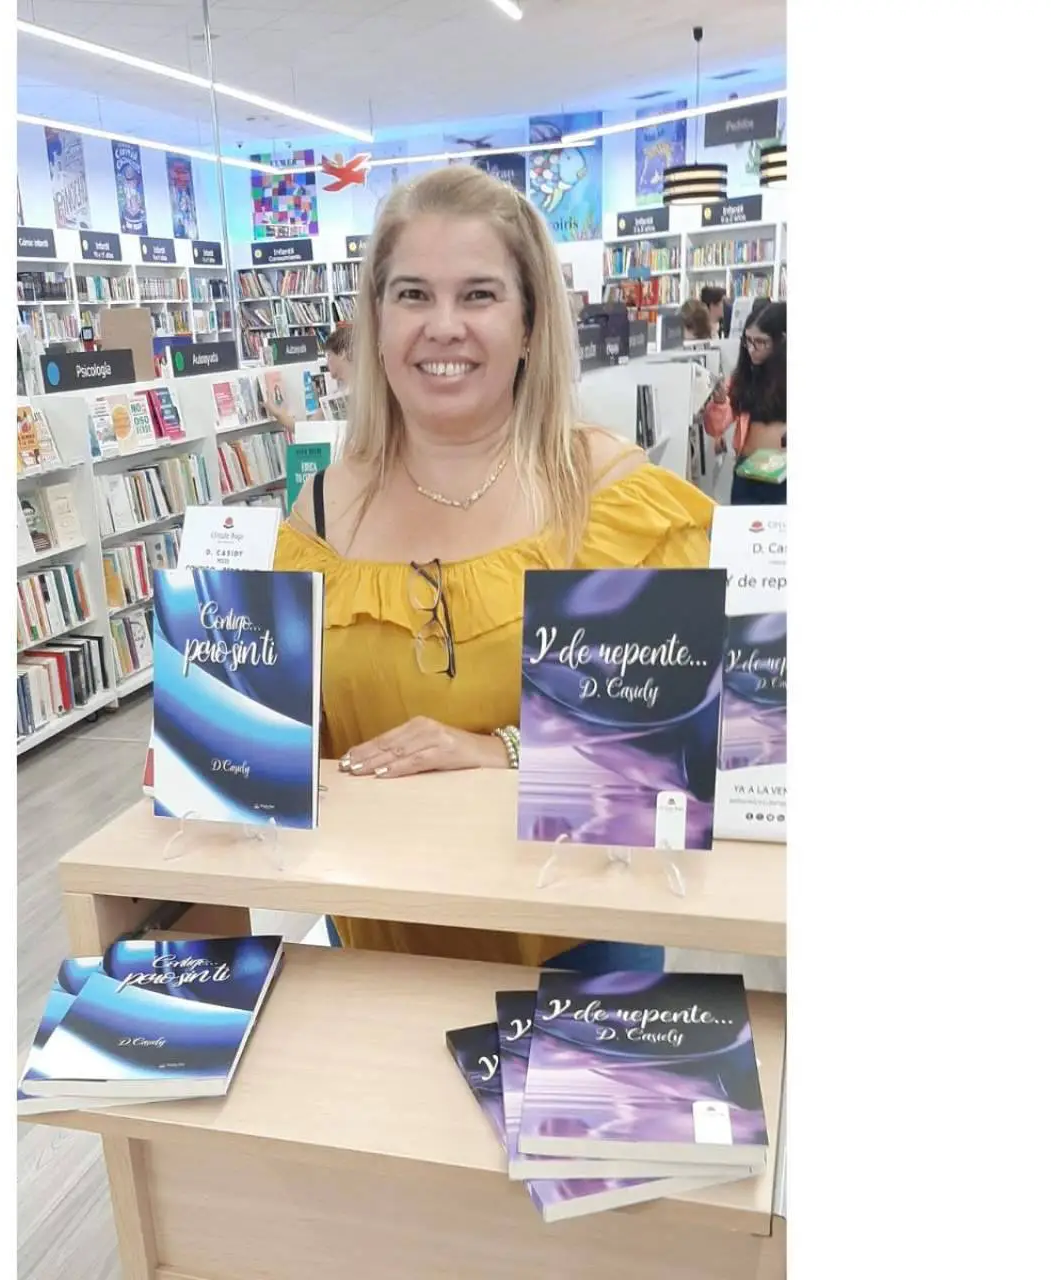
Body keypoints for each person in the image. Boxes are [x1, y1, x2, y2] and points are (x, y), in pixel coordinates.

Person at [275, 165, 717, 971]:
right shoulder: (320, 516)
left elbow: (674, 762)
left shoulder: (614, 503)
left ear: (530, 322)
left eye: (478, 295)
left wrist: (503, 751)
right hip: (374, 951)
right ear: (376, 321)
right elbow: (288, 748)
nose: (443, 326)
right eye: (413, 295)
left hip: (576, 956)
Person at [705, 300, 785, 506]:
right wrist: (720, 403)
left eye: (761, 342)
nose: (751, 348)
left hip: (783, 476)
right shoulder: (743, 378)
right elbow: (715, 427)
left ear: (781, 341)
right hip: (747, 475)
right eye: (747, 340)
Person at [266, 323, 354, 428]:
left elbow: (306, 428)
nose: (327, 362)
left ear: (342, 353)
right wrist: (279, 414)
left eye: (329, 355)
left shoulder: (353, 394)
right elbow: (306, 428)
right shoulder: (338, 394)